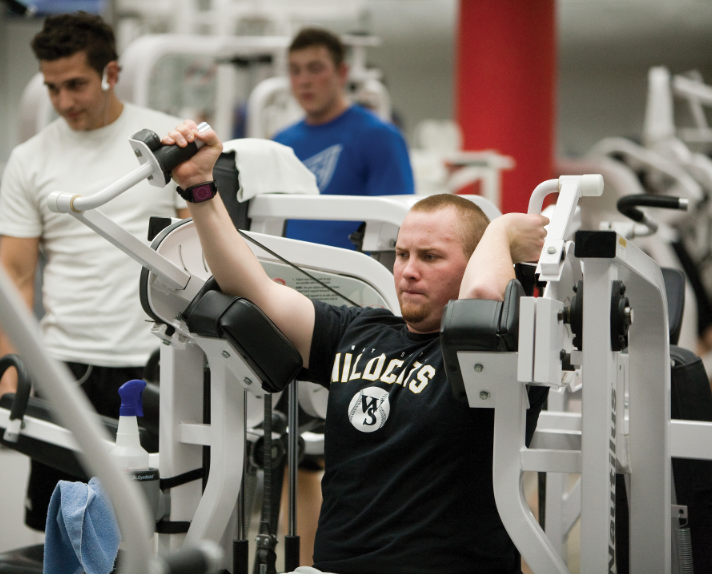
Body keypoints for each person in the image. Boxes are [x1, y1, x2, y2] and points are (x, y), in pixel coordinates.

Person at [163, 120, 550, 574]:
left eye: (430, 257)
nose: (407, 271)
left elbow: (486, 299)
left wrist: (500, 231)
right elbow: (255, 292)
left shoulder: (501, 353)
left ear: (473, 264)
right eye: (403, 254)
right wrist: (199, 188)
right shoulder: (360, 330)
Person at [0, 12, 189, 531]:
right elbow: (12, 276)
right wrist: (12, 368)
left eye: (76, 84)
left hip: (154, 363)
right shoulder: (30, 159)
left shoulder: (166, 146)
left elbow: (203, 254)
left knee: (155, 527)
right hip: (65, 366)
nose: (64, 102)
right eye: (52, 88)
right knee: (66, 529)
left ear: (112, 73)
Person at [273, 27, 414, 250]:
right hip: (282, 273)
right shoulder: (281, 143)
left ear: (342, 72)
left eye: (315, 69)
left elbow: (399, 224)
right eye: (295, 70)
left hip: (351, 278)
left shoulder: (379, 137)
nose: (304, 81)